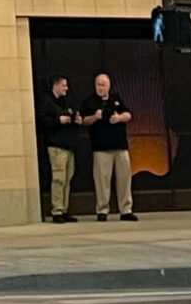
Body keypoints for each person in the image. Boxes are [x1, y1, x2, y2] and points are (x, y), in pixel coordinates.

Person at [79, 72, 136, 221]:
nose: (100, 88)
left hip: (120, 145)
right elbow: (83, 121)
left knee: (124, 178)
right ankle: (102, 210)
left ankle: (126, 209)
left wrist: (119, 118)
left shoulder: (116, 99)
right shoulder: (90, 102)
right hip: (100, 147)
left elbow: (128, 114)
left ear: (109, 86)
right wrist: (95, 117)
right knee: (102, 180)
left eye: (103, 85)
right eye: (98, 84)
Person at [37, 75, 79, 223]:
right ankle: (57, 210)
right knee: (58, 178)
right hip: (56, 145)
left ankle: (65, 208)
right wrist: (58, 120)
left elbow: (73, 115)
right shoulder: (47, 101)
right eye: (63, 85)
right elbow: (42, 120)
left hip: (69, 145)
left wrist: (75, 120)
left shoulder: (67, 102)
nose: (66, 88)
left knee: (68, 178)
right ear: (55, 86)